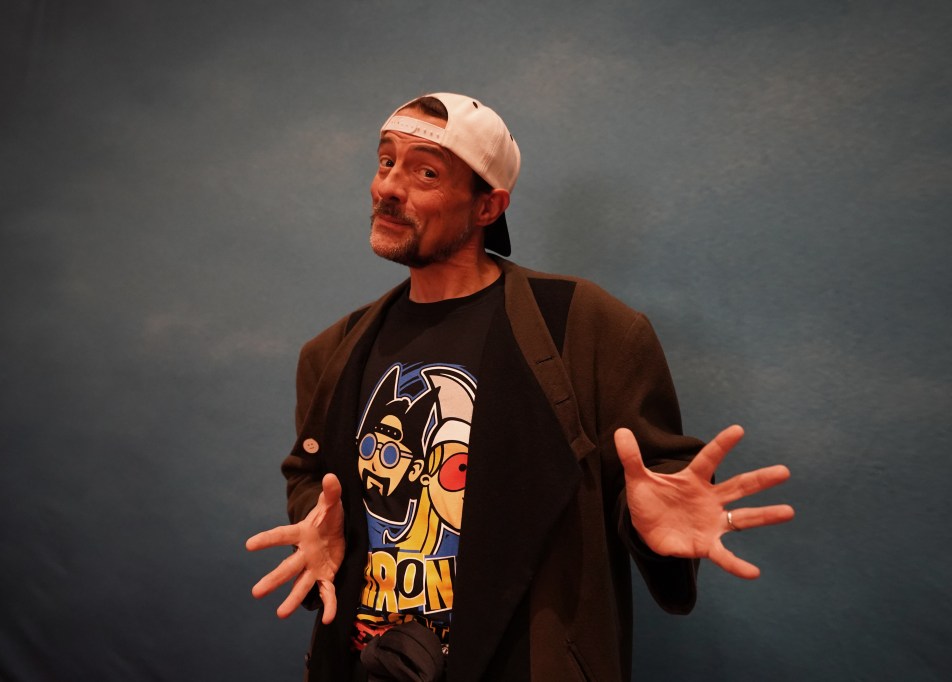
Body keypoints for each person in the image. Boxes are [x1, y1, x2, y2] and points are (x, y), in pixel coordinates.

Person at [246, 92, 794, 681]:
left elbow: (654, 482)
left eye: (425, 173)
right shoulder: (334, 350)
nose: (389, 187)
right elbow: (310, 475)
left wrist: (647, 523)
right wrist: (319, 526)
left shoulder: (585, 326)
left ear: (488, 206)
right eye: (386, 162)